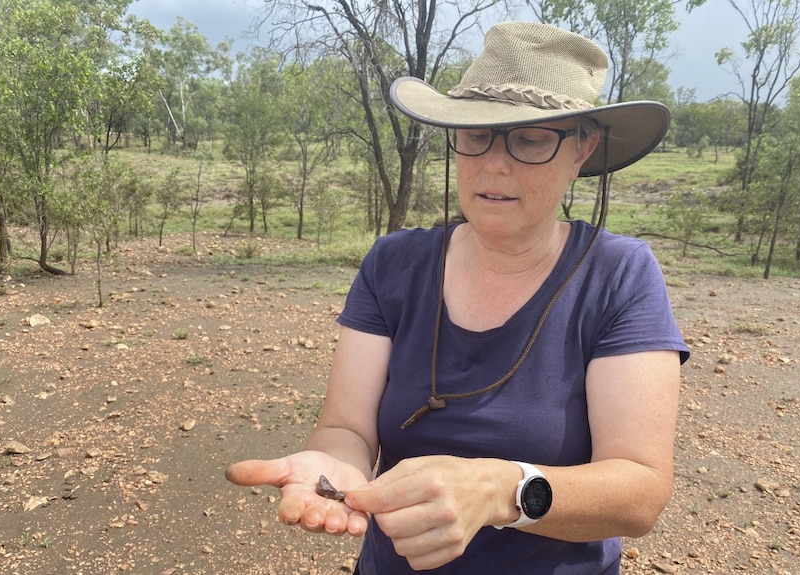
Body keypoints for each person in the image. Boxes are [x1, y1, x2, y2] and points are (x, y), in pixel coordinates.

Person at [226, 21, 690, 574]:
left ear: (582, 150)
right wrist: (336, 464)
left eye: (531, 139)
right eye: (476, 135)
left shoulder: (619, 276)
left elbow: (638, 492)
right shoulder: (392, 264)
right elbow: (347, 426)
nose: (495, 163)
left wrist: (501, 491)